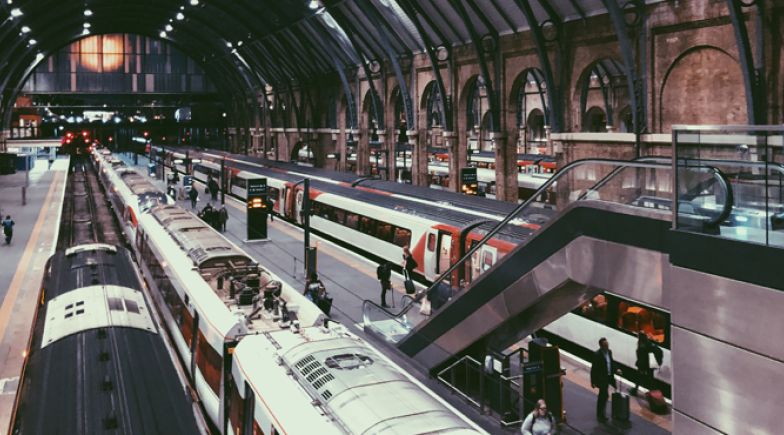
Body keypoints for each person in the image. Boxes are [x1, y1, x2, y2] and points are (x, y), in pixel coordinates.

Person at [590, 337, 616, 422]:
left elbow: (611, 362)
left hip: (608, 377)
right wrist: (593, 381)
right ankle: (601, 415)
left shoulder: (609, 352)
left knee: (603, 396)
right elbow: (594, 369)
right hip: (602, 379)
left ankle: (601, 413)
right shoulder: (597, 355)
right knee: (604, 395)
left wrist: (616, 370)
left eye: (607, 345)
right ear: (601, 346)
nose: (607, 346)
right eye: (605, 345)